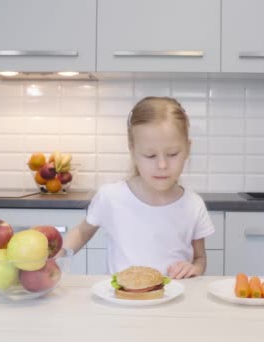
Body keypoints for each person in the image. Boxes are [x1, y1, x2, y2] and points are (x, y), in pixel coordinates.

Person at [63, 96, 215, 279]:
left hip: (175, 302)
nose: (162, 165)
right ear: (133, 150)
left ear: (187, 149)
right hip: (122, 303)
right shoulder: (111, 197)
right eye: (150, 155)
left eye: (172, 154)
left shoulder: (193, 205)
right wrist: (57, 256)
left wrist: (195, 268)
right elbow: (81, 232)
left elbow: (200, 258)